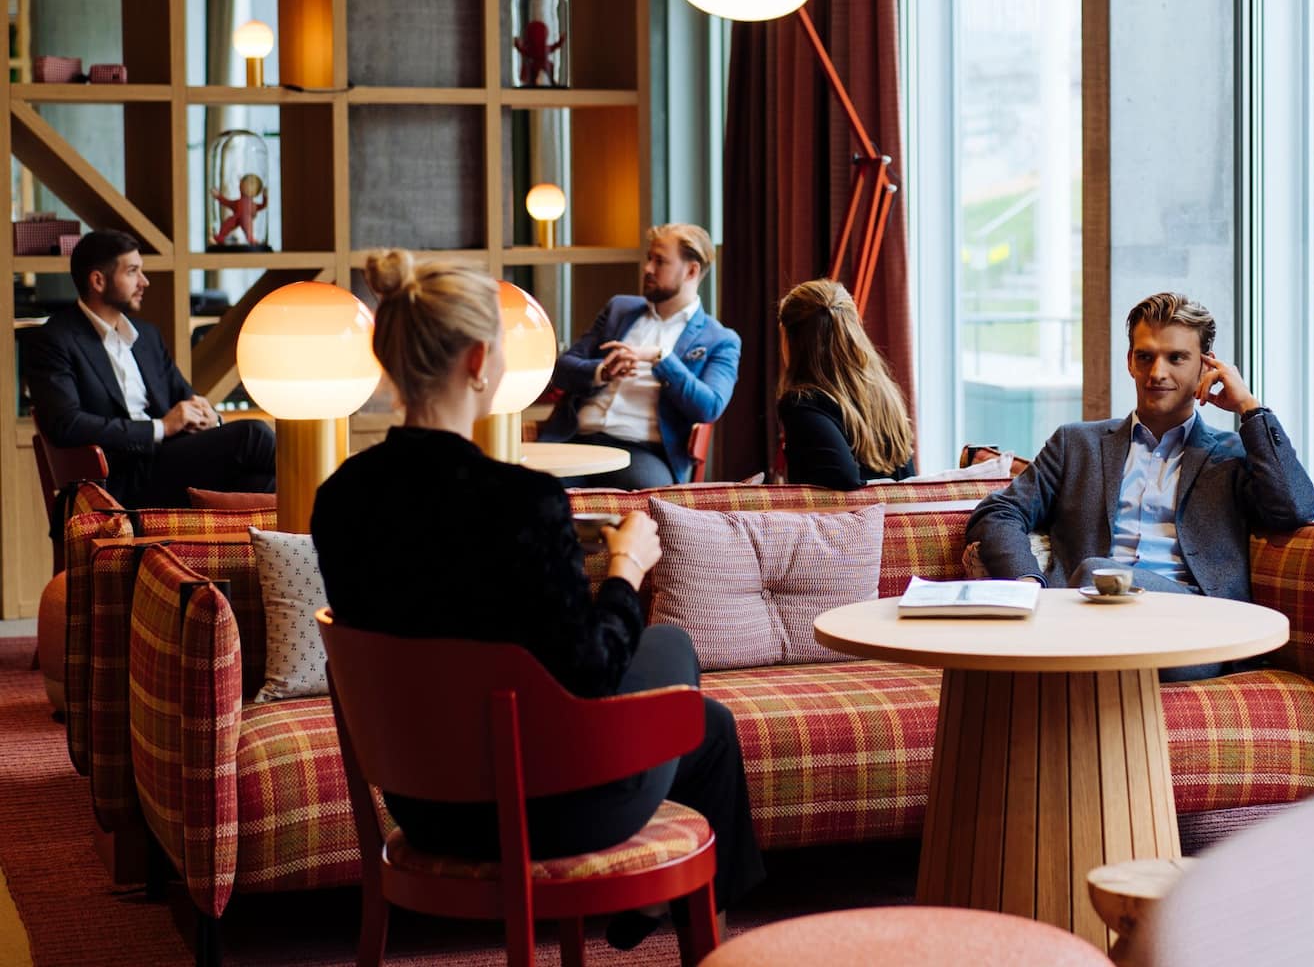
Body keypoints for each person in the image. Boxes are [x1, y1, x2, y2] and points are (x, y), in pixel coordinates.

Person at [311, 250, 765, 947]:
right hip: (542, 809)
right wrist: (625, 568)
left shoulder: (339, 501)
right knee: (675, 658)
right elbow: (590, 671)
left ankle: (677, 918)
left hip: (420, 804)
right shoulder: (521, 503)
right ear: (479, 360)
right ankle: (707, 935)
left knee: (702, 722)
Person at [966, 292, 1314, 680]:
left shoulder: (1232, 455)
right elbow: (999, 511)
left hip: (1190, 632)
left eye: (1176, 358)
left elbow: (1295, 508)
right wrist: (1027, 583)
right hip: (1087, 623)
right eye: (1145, 356)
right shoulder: (1076, 444)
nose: (1157, 373)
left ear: (1206, 366)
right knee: (1093, 585)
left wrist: (1250, 408)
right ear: (1130, 362)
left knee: (1098, 573)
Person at [22, 229, 276, 508]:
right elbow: (67, 425)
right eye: (132, 272)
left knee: (266, 487)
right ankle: (331, 497)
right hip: (118, 479)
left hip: (169, 466)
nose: (144, 282)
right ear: (98, 280)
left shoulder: (146, 337)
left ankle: (322, 536)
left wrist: (209, 419)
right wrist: (161, 427)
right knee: (253, 434)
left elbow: (186, 398)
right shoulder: (55, 340)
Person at [540, 223, 740, 489]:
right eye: (649, 258)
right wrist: (603, 371)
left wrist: (661, 358)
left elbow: (709, 406)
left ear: (691, 271)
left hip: (642, 452)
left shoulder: (720, 339)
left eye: (660, 262)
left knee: (650, 496)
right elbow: (563, 368)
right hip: (577, 439)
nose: (647, 269)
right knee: (530, 489)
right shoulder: (619, 309)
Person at [776, 279, 917, 489]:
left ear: (792, 341)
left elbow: (842, 480)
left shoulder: (802, 404)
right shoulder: (884, 395)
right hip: (896, 516)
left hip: (848, 520)